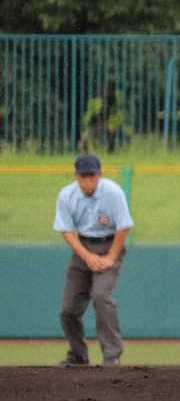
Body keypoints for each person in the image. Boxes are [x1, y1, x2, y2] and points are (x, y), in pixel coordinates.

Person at [52, 154, 134, 366]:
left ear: (100, 175)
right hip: (83, 247)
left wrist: (111, 257)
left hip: (109, 244)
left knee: (100, 296)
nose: (89, 181)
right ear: (76, 176)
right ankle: (78, 355)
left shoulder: (113, 192)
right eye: (84, 176)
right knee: (68, 309)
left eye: (92, 176)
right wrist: (87, 256)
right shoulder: (67, 195)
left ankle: (112, 355)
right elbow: (66, 230)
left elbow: (124, 226)